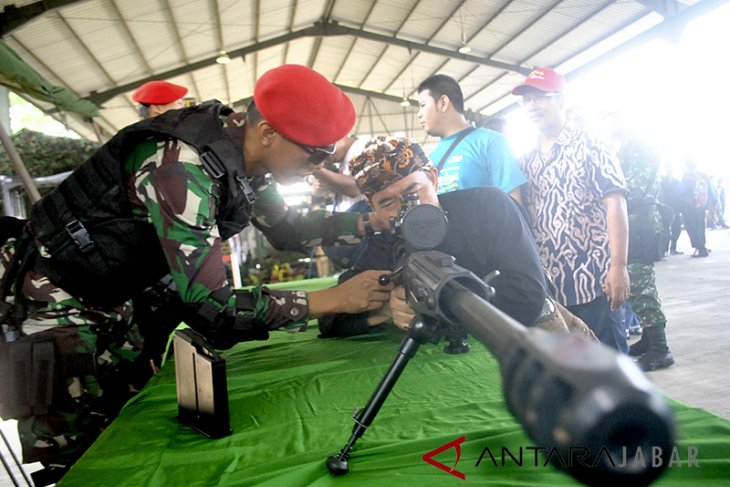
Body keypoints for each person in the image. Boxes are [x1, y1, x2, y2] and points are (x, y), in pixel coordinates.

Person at [0, 64, 393, 484]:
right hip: (56, 301)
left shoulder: (242, 157)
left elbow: (286, 228)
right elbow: (213, 306)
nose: (321, 165)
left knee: (129, 423)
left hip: (116, 293)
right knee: (81, 456)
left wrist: (370, 222)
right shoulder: (181, 166)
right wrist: (332, 300)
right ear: (267, 133)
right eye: (315, 153)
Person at [318, 136, 597, 340]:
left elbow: (527, 297)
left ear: (434, 179)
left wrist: (434, 315)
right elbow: (332, 318)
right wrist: (387, 312)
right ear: (371, 206)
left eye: (414, 192)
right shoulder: (386, 237)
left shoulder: (488, 205)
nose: (407, 210)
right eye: (388, 203)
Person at [513, 67, 630, 353]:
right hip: (552, 289)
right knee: (569, 370)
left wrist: (619, 267)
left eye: (540, 98)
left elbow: (615, 204)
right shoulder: (526, 157)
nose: (532, 106)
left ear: (561, 100)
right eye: (526, 100)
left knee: (611, 364)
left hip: (594, 282)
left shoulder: (592, 145)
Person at [602, 112, 675, 371]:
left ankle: (660, 348)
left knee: (642, 285)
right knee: (636, 285)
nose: (606, 124)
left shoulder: (641, 146)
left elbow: (632, 186)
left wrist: (602, 196)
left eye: (609, 118)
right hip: (631, 223)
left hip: (640, 223)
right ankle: (648, 338)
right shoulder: (626, 147)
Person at [416, 74, 526, 201]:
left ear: (443, 103)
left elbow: (513, 203)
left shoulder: (491, 142)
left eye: (423, 105)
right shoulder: (431, 159)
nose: (419, 114)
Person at [680, 159, 710, 257]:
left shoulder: (687, 178)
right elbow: (711, 190)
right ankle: (702, 246)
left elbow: (679, 191)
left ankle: (699, 248)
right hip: (701, 206)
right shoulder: (703, 175)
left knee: (692, 227)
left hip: (691, 207)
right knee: (701, 226)